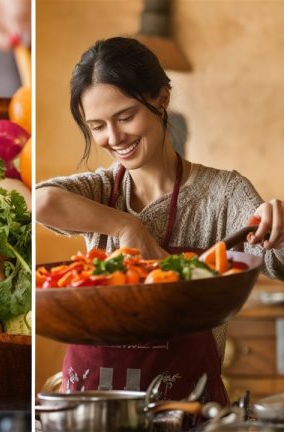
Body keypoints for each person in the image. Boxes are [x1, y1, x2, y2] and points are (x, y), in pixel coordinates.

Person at [35, 37, 284, 406]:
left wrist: (279, 232)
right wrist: (126, 226)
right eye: (98, 125)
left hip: (188, 408)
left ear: (162, 98)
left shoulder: (224, 193)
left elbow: (277, 264)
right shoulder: (101, 190)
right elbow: (41, 201)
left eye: (125, 116)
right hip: (93, 410)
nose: (114, 137)